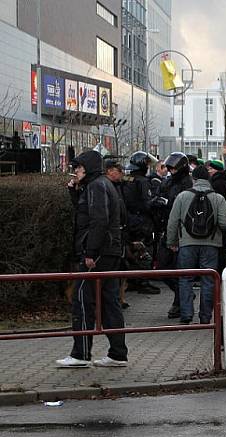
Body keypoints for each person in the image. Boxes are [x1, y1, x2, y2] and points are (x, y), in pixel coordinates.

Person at [58, 150, 128, 368]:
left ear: (86, 168)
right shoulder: (101, 185)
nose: (75, 172)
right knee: (109, 302)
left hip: (98, 253)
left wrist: (90, 252)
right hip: (109, 251)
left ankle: (81, 353)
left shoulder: (97, 186)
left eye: (78, 168)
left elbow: (98, 220)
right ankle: (117, 353)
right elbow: (88, 214)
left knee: (82, 299)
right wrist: (75, 194)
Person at [166, 165, 226, 324]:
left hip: (187, 244)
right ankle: (205, 317)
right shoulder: (217, 198)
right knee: (208, 280)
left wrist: (172, 242)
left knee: (185, 278)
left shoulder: (182, 196)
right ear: (208, 179)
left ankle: (186, 314)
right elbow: (225, 223)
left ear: (193, 179)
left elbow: (173, 222)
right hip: (211, 245)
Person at [156, 152, 194, 318]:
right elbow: (159, 196)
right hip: (167, 228)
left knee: (180, 269)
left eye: (173, 168)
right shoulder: (168, 182)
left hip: (182, 232)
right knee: (162, 267)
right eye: (169, 168)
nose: (171, 171)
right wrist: (156, 202)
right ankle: (182, 295)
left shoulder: (188, 184)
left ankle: (180, 301)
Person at [123, 151, 160, 294]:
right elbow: (146, 204)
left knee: (132, 252)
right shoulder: (143, 181)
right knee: (145, 251)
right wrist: (157, 202)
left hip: (130, 220)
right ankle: (143, 282)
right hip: (141, 221)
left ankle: (132, 281)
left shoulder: (128, 178)